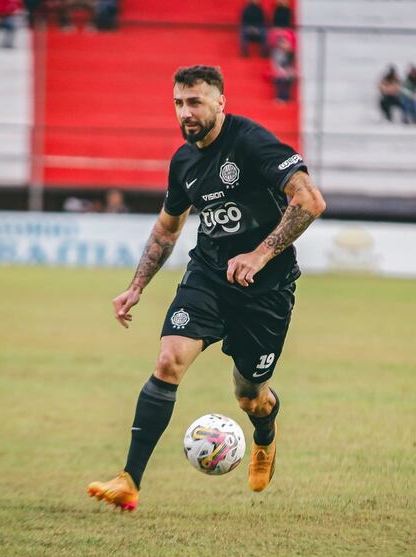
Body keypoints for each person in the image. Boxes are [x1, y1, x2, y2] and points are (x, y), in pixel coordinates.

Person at [87, 65, 326, 511]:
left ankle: (265, 435)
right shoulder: (184, 161)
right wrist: (136, 286)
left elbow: (310, 200)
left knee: (249, 394)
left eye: (195, 101)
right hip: (209, 277)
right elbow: (166, 230)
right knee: (168, 359)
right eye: (178, 103)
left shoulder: (252, 142)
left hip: (266, 291)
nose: (185, 112)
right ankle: (129, 481)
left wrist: (258, 254)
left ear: (220, 102)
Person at [271, 34, 296, 103]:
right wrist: (283, 71)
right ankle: (280, 97)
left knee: (289, 77)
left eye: (286, 43)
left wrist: (290, 71)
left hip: (288, 71)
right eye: (282, 43)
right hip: (279, 71)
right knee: (281, 78)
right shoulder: (276, 52)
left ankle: (286, 97)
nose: (284, 45)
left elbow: (291, 65)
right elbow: (276, 64)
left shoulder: (290, 53)